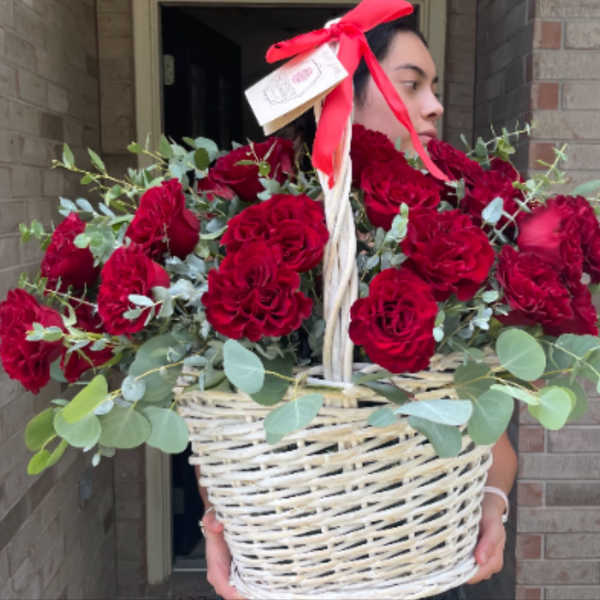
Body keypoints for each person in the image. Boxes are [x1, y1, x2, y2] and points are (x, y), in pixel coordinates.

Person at [197, 19, 519, 600]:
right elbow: (227, 424)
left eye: (433, 87)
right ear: (341, 96)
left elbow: (490, 439)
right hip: (295, 564)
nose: (435, 105)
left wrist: (493, 505)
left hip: (421, 559)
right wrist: (216, 521)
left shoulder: (453, 241)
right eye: (412, 85)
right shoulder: (266, 228)